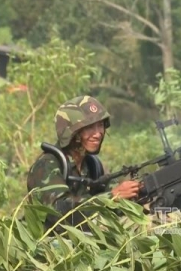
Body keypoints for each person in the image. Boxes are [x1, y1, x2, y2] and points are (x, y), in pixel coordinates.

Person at [26, 95, 141, 233]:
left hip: (86, 245)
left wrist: (138, 191)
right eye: (90, 127)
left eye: (100, 125)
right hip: (51, 248)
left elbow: (115, 195)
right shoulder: (47, 165)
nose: (98, 133)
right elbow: (61, 214)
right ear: (71, 133)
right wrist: (112, 197)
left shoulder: (93, 165)